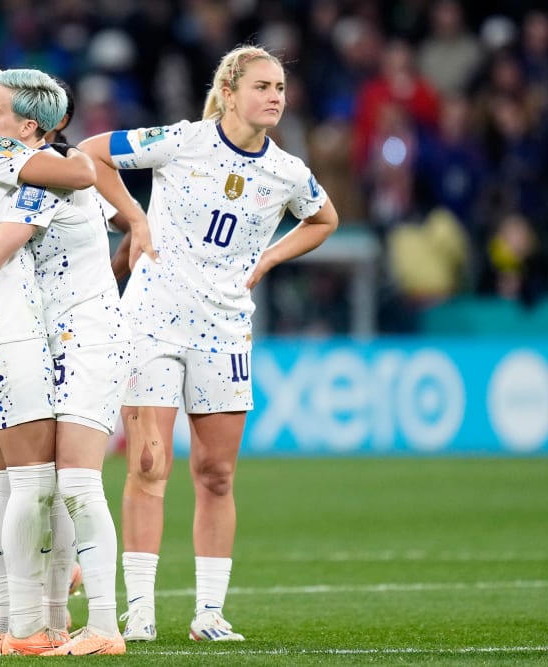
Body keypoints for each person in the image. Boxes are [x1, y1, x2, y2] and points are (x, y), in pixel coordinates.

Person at [79, 44, 339, 642]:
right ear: (228, 93)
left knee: (216, 473)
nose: (275, 96)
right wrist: (135, 220)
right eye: (263, 86)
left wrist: (272, 255)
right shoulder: (183, 140)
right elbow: (93, 155)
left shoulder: (288, 172)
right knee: (149, 462)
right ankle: (139, 610)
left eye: (280, 87)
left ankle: (209, 614)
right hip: (152, 319)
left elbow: (324, 219)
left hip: (224, 331)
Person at [0, 70, 130, 656]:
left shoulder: (41, 183)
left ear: (27, 128)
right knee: (42, 486)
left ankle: (100, 625)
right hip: (52, 341)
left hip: (86, 342)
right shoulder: (21, 173)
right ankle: (49, 623)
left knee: (70, 483)